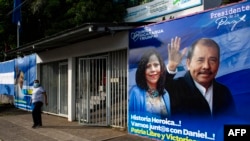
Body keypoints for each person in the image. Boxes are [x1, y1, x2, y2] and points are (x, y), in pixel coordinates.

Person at [166, 37, 236, 119]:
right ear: (188, 64)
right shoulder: (174, 88)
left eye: (212, 60)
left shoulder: (224, 92)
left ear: (218, 64)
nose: (206, 66)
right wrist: (171, 68)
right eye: (200, 60)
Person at [129, 48, 171, 118]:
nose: (153, 70)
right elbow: (133, 122)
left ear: (161, 68)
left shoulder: (165, 94)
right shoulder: (136, 93)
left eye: (156, 65)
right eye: (148, 66)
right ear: (143, 71)